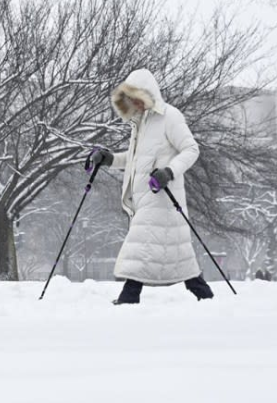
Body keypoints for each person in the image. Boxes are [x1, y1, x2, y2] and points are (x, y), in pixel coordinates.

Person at [89, 69, 214, 304]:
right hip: (146, 198)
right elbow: (135, 159)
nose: (135, 103)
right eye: (131, 98)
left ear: (149, 93)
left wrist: (169, 171)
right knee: (175, 255)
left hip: (162, 197)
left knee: (139, 247)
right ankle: (202, 293)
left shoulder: (170, 117)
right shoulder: (141, 123)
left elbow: (191, 149)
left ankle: (129, 296)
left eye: (138, 97)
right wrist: (110, 159)